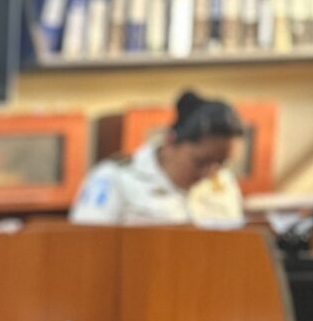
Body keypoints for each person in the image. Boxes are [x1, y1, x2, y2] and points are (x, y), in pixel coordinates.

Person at [70, 91, 246, 227]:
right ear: (170, 142)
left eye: (221, 163)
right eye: (201, 162)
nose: (210, 173)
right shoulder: (113, 178)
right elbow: (85, 247)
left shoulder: (224, 182)